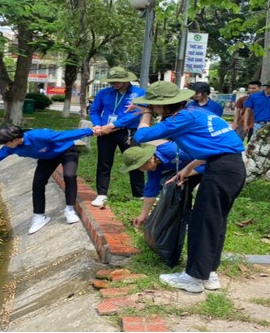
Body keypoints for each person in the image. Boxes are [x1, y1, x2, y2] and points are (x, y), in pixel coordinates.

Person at [130, 81, 246, 293]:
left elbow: (141, 136)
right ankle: (209, 273)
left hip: (220, 170)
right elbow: (216, 147)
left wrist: (145, 113)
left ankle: (193, 278)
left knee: (202, 223)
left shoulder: (182, 118)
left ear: (164, 105)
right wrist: (188, 168)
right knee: (215, 224)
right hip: (230, 167)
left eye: (154, 106)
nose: (153, 110)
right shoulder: (195, 114)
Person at [0, 125, 96, 234]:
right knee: (38, 184)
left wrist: (90, 131)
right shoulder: (10, 147)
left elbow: (63, 135)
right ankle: (39, 216)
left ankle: (69, 210)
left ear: (16, 139)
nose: (5, 146)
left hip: (66, 151)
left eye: (6, 143)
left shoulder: (39, 135)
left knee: (69, 176)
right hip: (47, 158)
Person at [89, 66, 146, 207]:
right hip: (105, 132)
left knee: (135, 161)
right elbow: (95, 110)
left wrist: (113, 126)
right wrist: (97, 125)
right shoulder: (104, 93)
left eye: (118, 81)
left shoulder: (139, 93)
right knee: (104, 162)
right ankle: (101, 194)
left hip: (128, 131)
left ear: (127, 79)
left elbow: (135, 114)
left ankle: (139, 194)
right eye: (112, 81)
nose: (114, 84)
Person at [119, 142, 204, 228]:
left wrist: (184, 174)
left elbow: (206, 159)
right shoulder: (154, 166)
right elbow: (151, 189)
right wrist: (143, 215)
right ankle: (187, 222)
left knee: (206, 196)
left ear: (147, 160)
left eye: (140, 167)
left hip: (210, 162)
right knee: (179, 190)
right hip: (190, 169)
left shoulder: (173, 151)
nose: (141, 170)